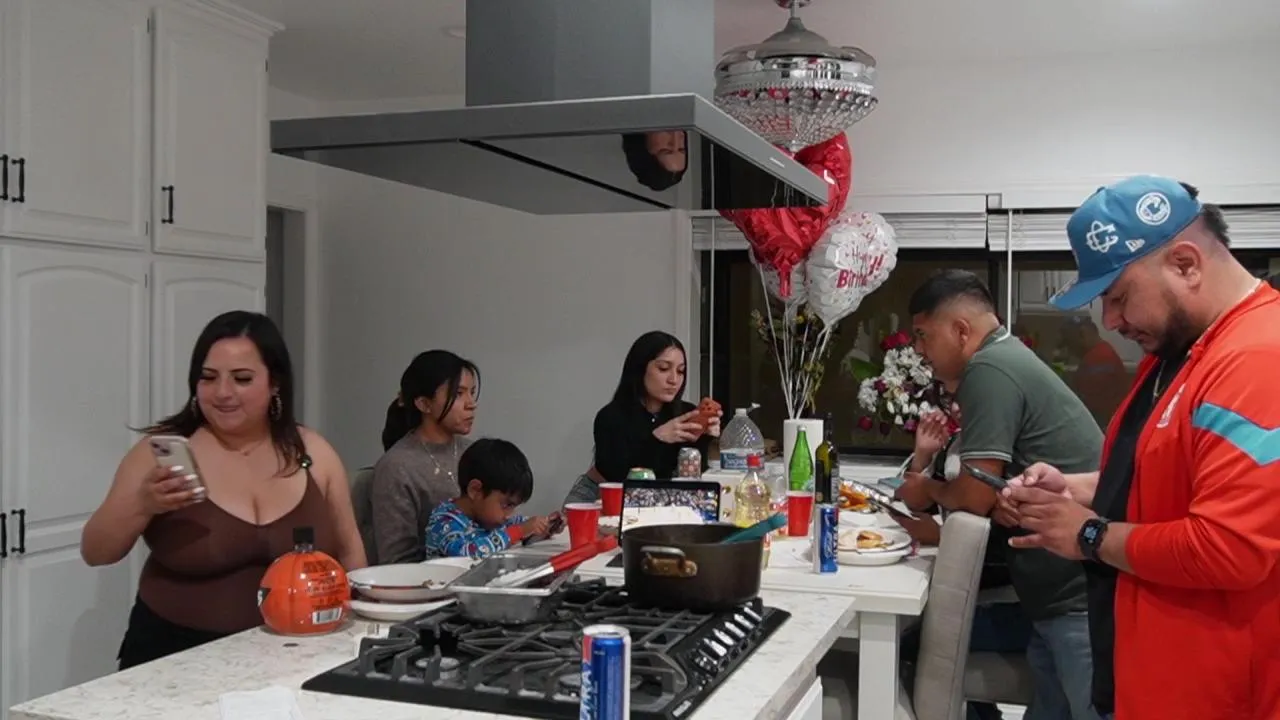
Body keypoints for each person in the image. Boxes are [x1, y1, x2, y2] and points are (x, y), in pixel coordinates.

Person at [1001, 176, 1280, 720]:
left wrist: (1087, 534)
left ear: (1186, 264)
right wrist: (1075, 489)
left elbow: (1229, 548)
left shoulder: (1256, 358)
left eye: (1119, 296)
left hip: (1214, 696)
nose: (1110, 321)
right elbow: (1167, 477)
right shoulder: (1178, 354)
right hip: (1147, 678)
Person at [80, 311, 366, 669]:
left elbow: (350, 553)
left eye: (242, 379)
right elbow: (96, 551)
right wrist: (143, 504)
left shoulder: (314, 453)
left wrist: (358, 637)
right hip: (172, 659)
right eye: (208, 377)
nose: (223, 393)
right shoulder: (157, 455)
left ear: (275, 383)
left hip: (296, 655)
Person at [899, 270, 1101, 720]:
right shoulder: (1005, 358)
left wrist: (926, 487)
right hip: (1054, 593)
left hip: (1077, 595)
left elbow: (974, 495)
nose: (919, 350)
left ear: (961, 330)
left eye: (923, 335)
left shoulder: (989, 369)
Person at [370, 350, 478, 564]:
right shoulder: (397, 467)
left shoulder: (474, 452)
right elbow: (397, 561)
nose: (471, 403)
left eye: (472, 392)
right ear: (424, 404)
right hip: (430, 580)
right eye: (458, 394)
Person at [582, 331, 720, 490]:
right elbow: (617, 477)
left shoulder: (686, 413)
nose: (674, 380)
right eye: (663, 368)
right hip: (602, 494)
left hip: (662, 496)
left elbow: (691, 474)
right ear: (640, 369)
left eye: (680, 371)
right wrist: (657, 439)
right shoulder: (611, 417)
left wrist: (705, 437)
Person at [424, 438, 555, 559]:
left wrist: (546, 526)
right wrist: (519, 531)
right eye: (506, 505)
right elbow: (466, 555)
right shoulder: (445, 522)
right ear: (475, 490)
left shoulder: (491, 518)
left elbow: (521, 525)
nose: (509, 515)